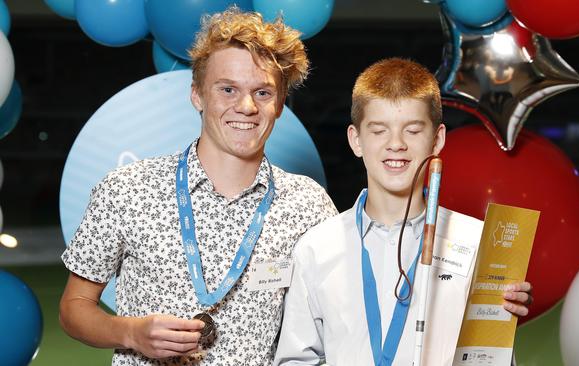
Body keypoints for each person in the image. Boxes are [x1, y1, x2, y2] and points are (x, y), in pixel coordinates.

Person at [59, 8, 337, 366]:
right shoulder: (126, 190)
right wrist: (129, 332)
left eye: (263, 92)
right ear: (197, 95)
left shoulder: (309, 205)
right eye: (227, 89)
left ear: (280, 103)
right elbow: (73, 308)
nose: (247, 106)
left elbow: (330, 324)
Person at [273, 58, 532, 366]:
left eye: (412, 130)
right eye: (379, 130)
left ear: (437, 140)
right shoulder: (316, 248)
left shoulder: (479, 244)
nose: (396, 144)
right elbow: (296, 360)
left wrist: (500, 318)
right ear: (356, 140)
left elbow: (493, 360)